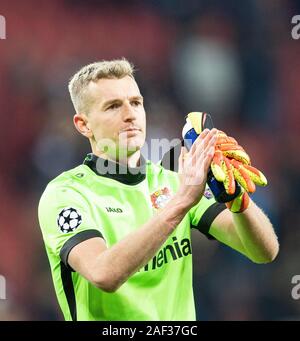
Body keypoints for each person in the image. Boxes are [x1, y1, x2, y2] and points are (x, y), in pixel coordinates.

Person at [38, 58, 279, 321]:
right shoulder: (66, 194)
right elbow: (103, 274)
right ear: (83, 124)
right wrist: (180, 203)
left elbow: (264, 252)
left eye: (136, 103)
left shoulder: (176, 179)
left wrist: (234, 196)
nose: (130, 114)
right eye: (113, 106)